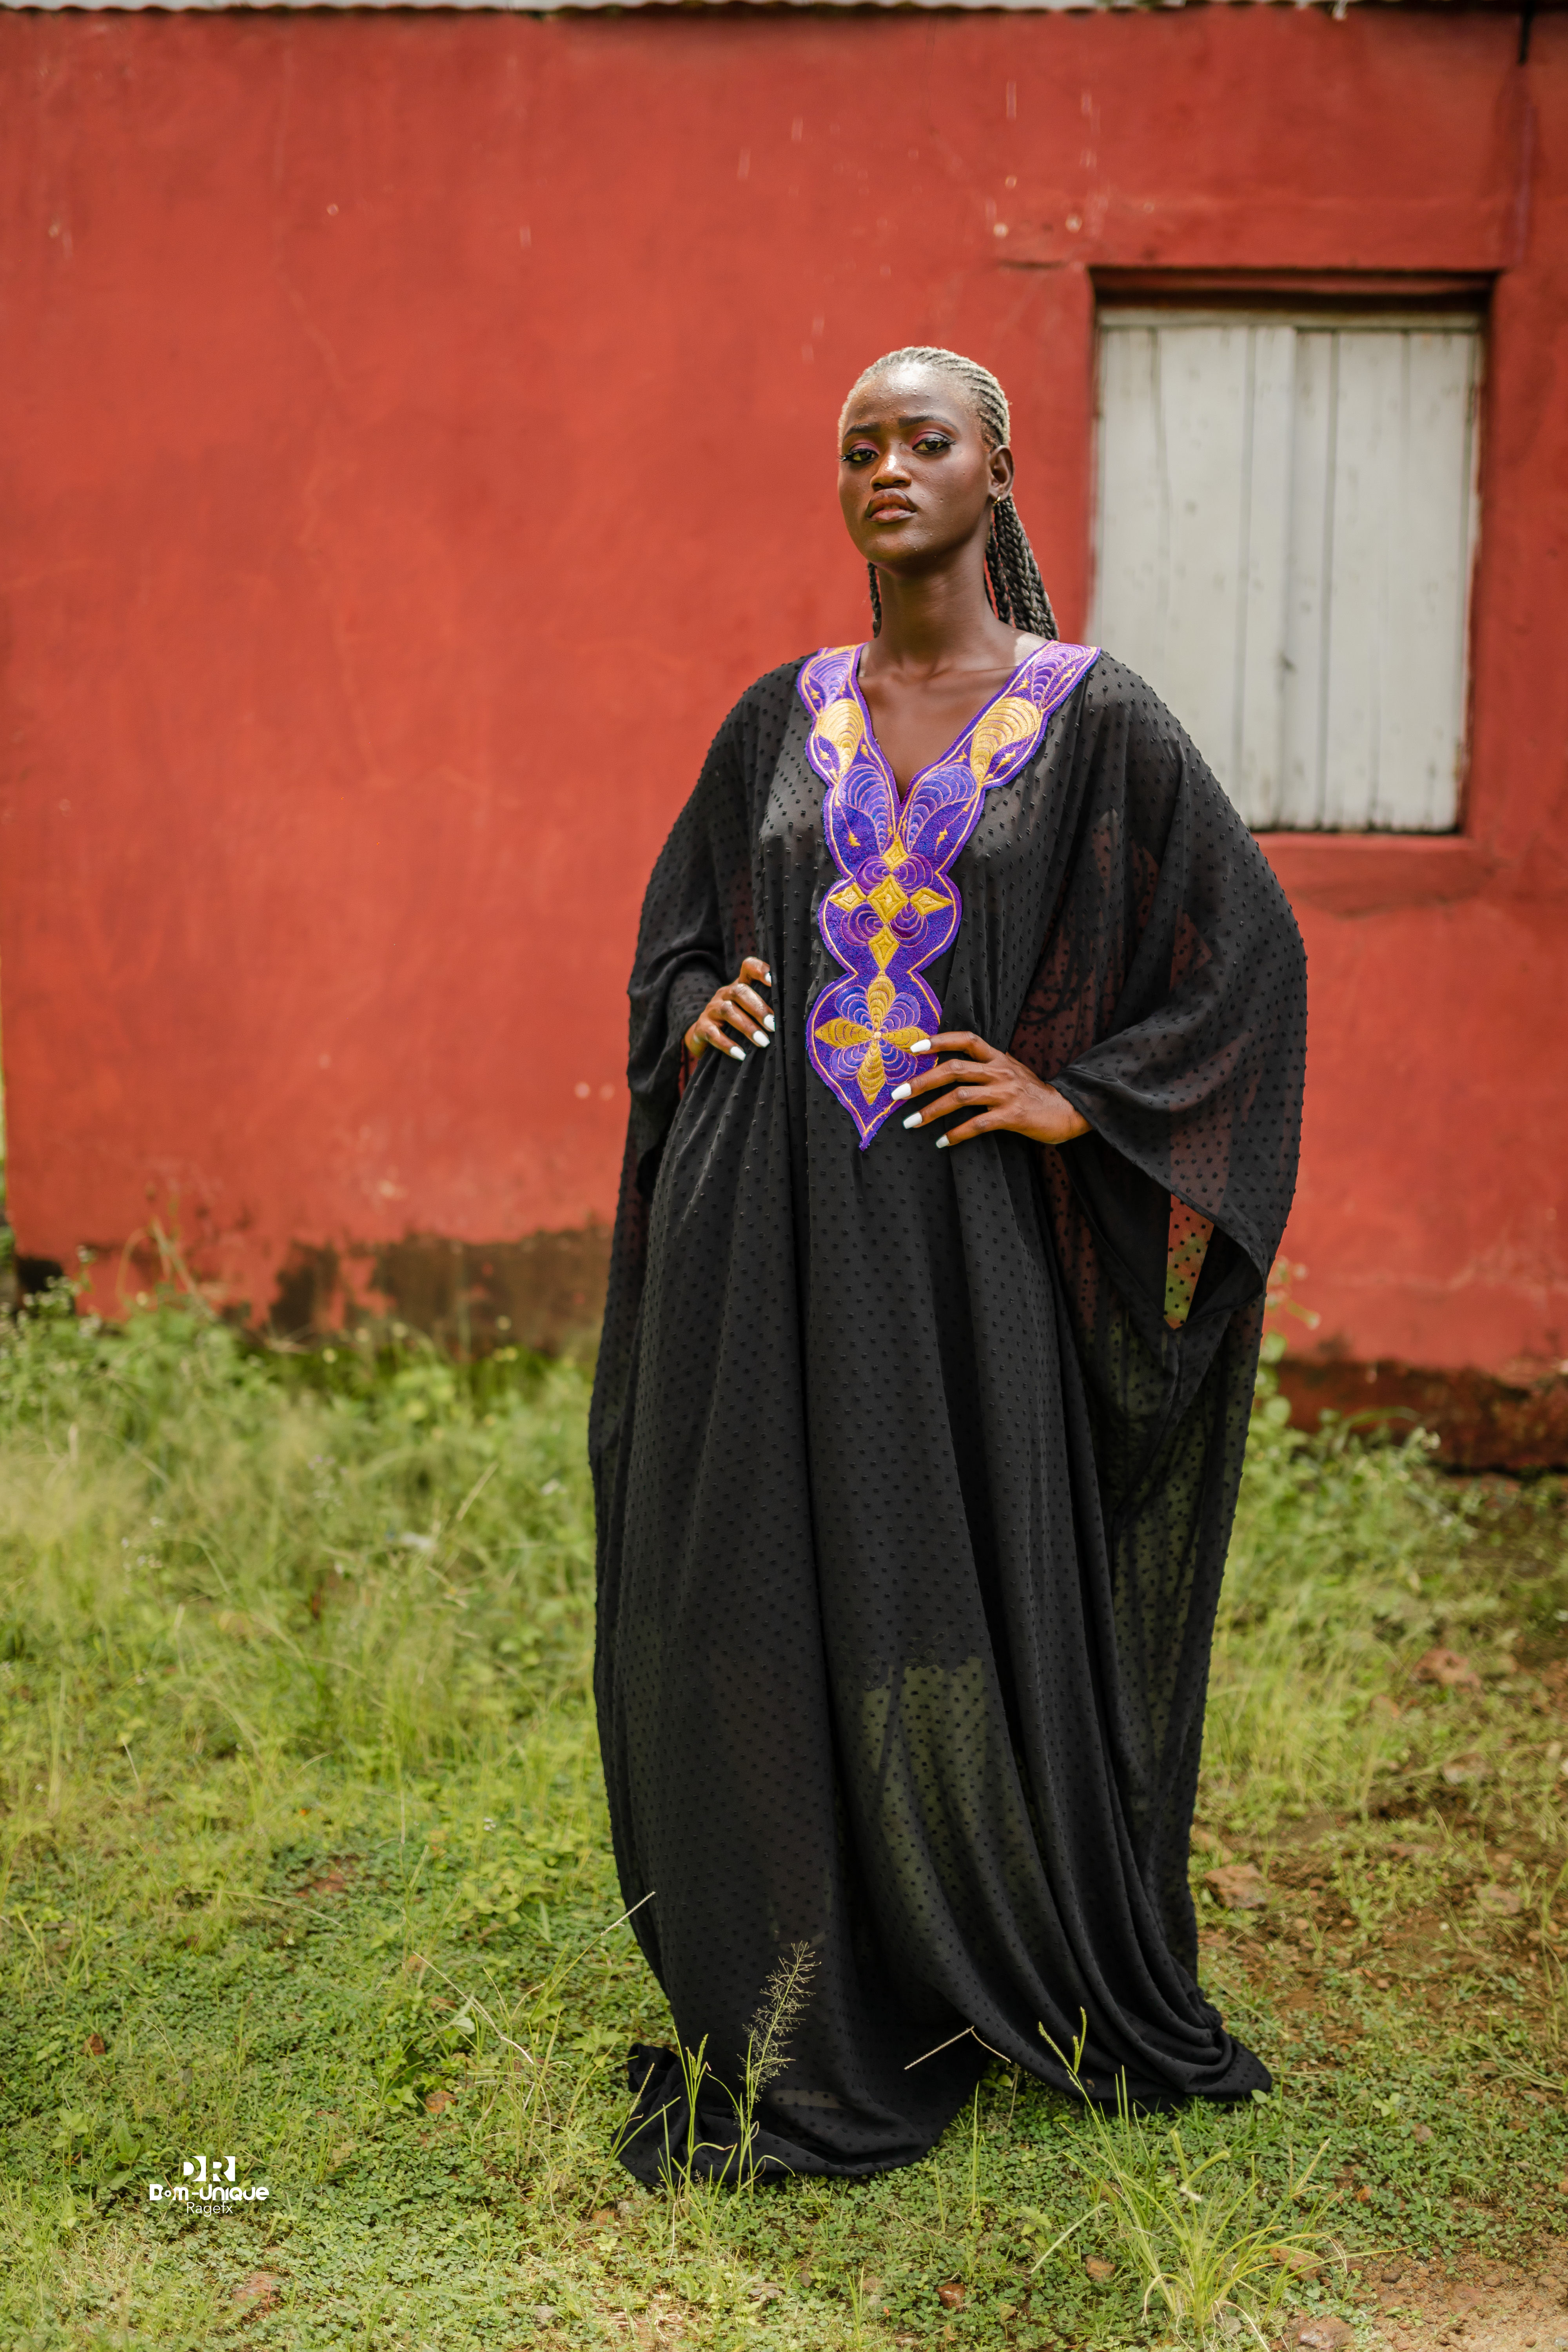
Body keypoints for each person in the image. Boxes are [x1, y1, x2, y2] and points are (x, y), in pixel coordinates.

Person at [589, 345, 1307, 2183]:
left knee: (949, 1585)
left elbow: (1246, 955)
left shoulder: (1090, 718)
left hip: (957, 1239)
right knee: (751, 1584)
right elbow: (678, 940)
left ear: (996, 468)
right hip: (759, 1225)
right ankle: (785, 1978)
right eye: (857, 445)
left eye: (923, 437)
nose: (885, 466)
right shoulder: (780, 715)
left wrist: (1087, 1104)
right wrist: (699, 1002)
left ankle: (962, 1929)